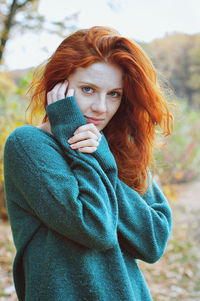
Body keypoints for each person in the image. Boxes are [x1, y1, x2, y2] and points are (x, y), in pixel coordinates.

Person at [3, 26, 173, 301]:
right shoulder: (28, 145)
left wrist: (103, 156)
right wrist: (75, 135)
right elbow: (96, 228)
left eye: (114, 94)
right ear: (59, 85)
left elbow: (153, 241)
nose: (100, 108)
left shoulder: (118, 149)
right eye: (88, 89)